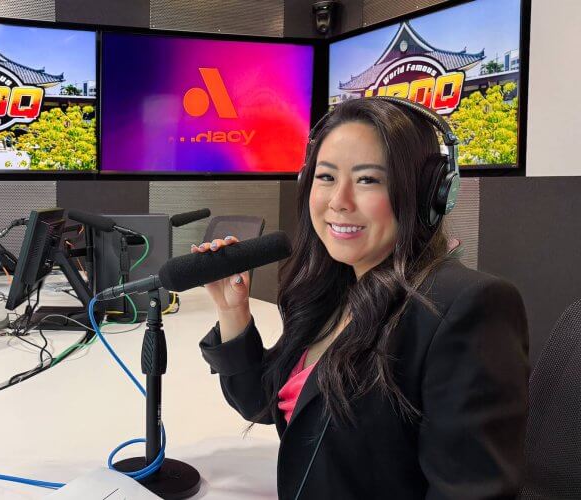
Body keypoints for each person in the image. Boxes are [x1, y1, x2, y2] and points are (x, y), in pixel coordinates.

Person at [195, 97, 529, 499]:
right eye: (326, 177)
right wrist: (233, 311)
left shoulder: (465, 306)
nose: (339, 201)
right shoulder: (331, 294)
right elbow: (266, 404)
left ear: (428, 194)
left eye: (368, 179)